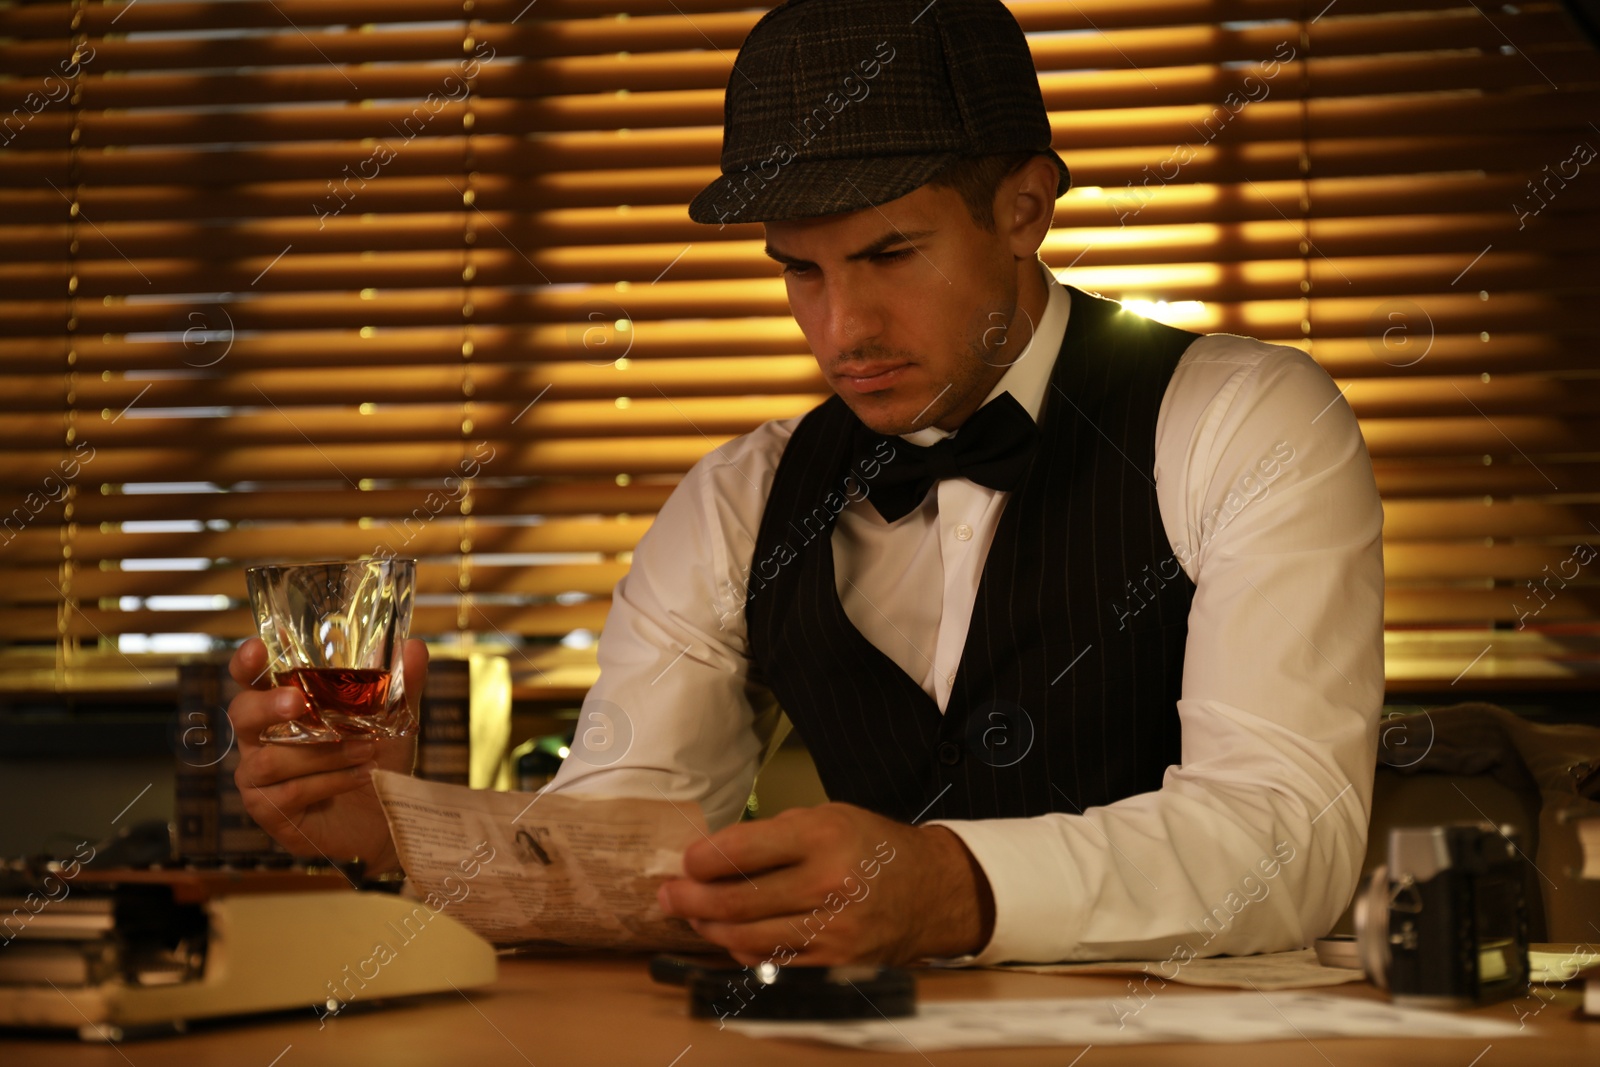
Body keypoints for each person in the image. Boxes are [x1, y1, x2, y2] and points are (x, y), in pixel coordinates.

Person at [227, 0, 1382, 967]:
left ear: (1025, 208)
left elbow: (1285, 834)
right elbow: (617, 846)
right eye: (800, 270)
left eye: (889, 254)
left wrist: (946, 884)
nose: (843, 330)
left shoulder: (1245, 420)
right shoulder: (742, 498)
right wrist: (398, 828)